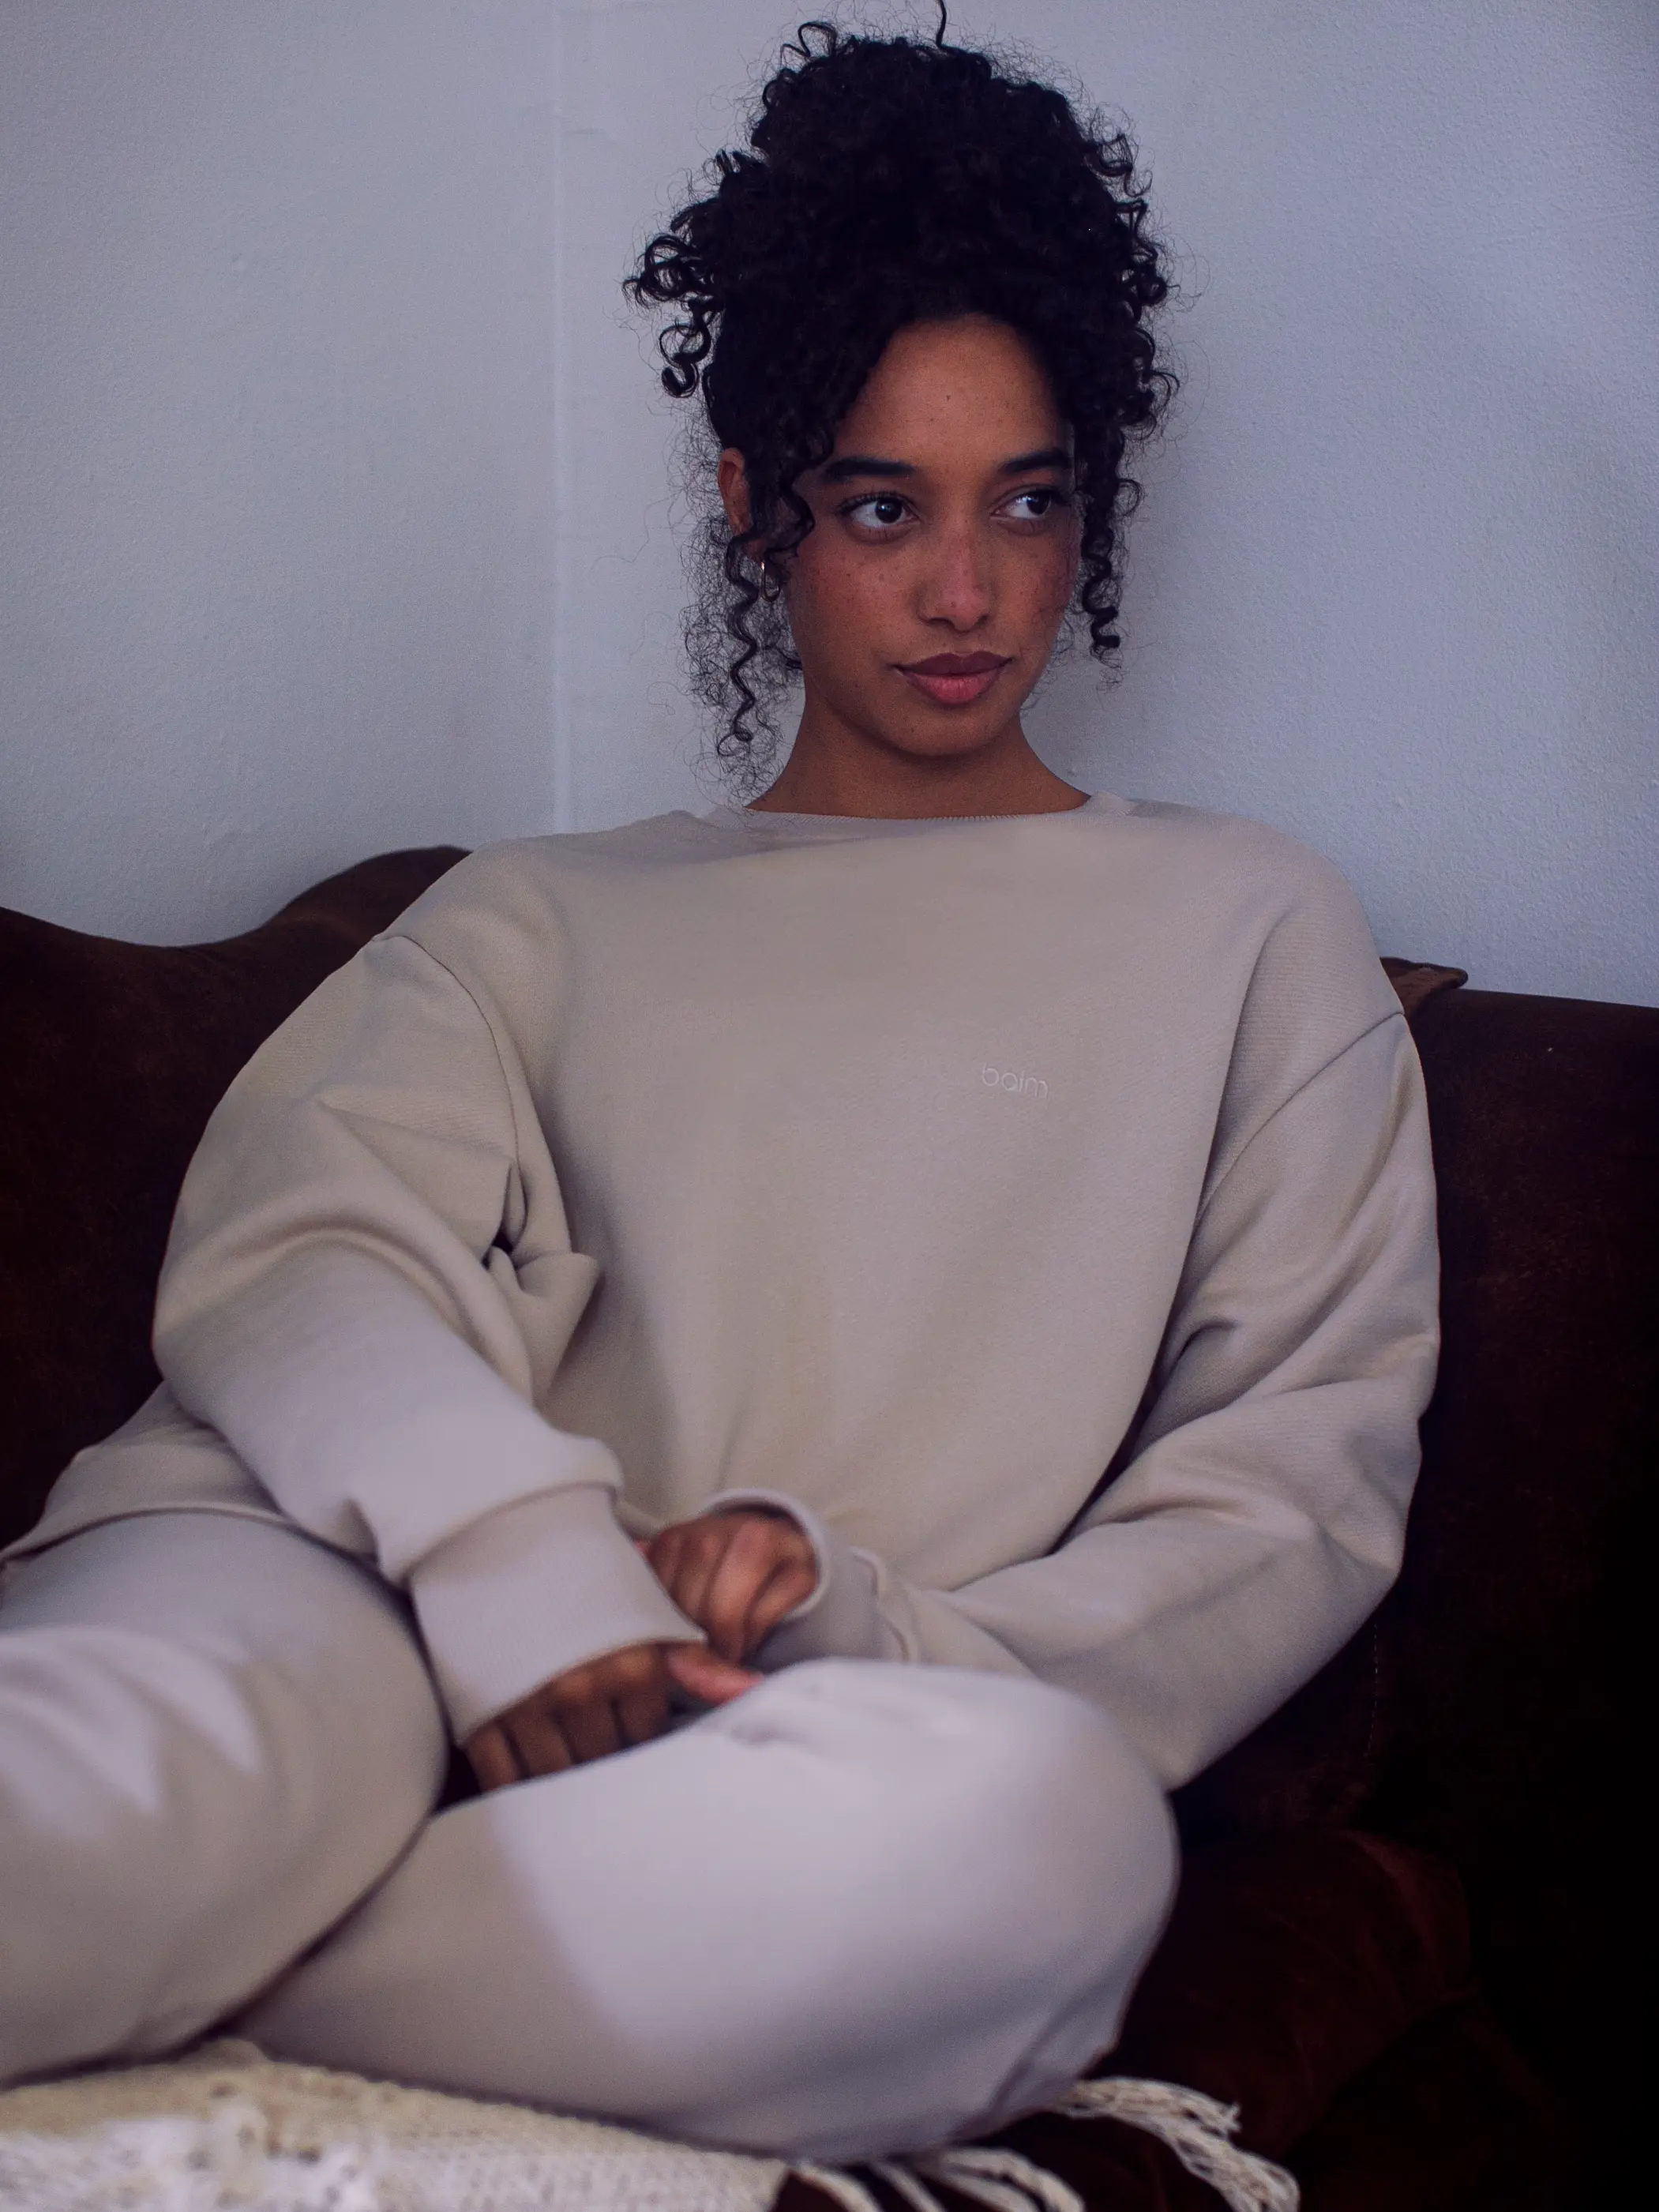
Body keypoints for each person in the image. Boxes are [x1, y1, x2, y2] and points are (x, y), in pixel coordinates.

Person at [0, 18, 1439, 2167]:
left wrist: (841, 1604)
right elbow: (303, 1258)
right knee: (167, 1767)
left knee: (1040, 1853)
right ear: (755, 506)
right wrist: (512, 1563)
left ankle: (153, 2001)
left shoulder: (1244, 931)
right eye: (883, 506)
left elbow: (1281, 1500)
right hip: (321, 1584)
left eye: (1024, 503)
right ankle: (165, 1928)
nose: (964, 594)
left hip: (760, 1727)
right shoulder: (538, 914)